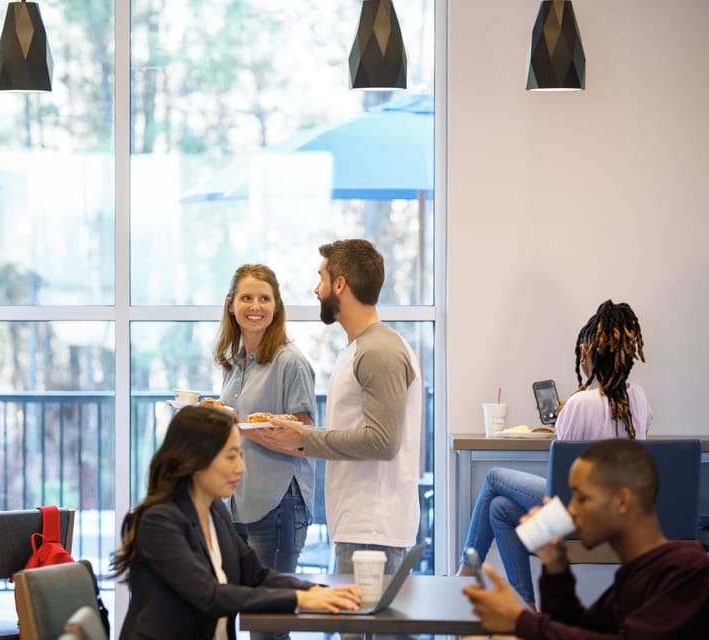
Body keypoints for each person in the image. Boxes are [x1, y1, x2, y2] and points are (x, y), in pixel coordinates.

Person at [456, 300, 651, 607]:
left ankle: (464, 575)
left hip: (577, 519)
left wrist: (567, 414)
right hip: (618, 515)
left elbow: (565, 479)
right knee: (500, 509)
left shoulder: (580, 404)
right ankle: (526, 607)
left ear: (587, 352)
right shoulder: (638, 398)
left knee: (493, 478)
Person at [111, 405, 361, 640]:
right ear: (195, 460)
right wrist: (298, 599)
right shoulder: (159, 522)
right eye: (231, 457)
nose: (241, 468)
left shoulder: (215, 512)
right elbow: (209, 596)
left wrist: (313, 590)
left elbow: (257, 575)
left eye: (240, 456)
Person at [271, 239, 423, 584]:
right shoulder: (360, 348)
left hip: (372, 530)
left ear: (340, 284)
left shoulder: (379, 351)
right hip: (361, 527)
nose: (316, 288)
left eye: (321, 278)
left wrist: (305, 438)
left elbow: (382, 441)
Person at [464, 439, 709, 638]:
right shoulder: (631, 579)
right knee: (500, 507)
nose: (570, 510)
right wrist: (555, 568)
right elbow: (579, 628)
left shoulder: (689, 572)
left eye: (582, 498)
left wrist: (520, 621)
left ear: (622, 501)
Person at [213, 264, 316, 638]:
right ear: (231, 305)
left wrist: (237, 423)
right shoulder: (236, 362)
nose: (255, 306)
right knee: (240, 617)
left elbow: (304, 439)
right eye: (246, 297)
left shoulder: (290, 361)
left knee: (267, 626)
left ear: (276, 306)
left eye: (264, 298)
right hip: (239, 504)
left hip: (278, 504)